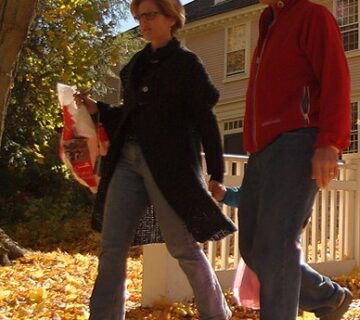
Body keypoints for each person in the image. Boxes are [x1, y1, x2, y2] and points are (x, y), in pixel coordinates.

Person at [75, 0, 235, 318]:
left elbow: (206, 120)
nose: (143, 22)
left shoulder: (187, 64)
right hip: (125, 162)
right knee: (112, 246)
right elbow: (129, 117)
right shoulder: (135, 66)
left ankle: (217, 314)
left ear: (171, 17)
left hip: (169, 168)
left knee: (184, 248)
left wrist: (216, 172)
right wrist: (98, 110)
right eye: (139, 17)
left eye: (150, 15)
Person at [238, 0, 353, 318]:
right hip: (260, 151)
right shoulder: (268, 22)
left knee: (275, 247)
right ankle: (329, 298)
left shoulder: (312, 17)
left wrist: (330, 142)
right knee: (252, 247)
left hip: (297, 142)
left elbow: (335, 79)